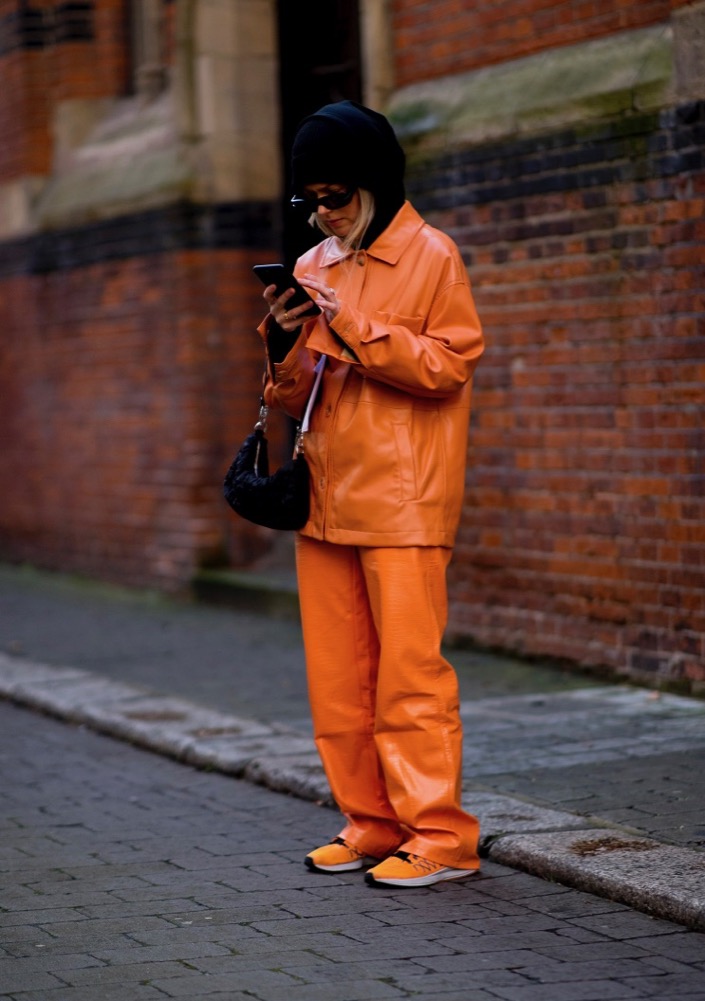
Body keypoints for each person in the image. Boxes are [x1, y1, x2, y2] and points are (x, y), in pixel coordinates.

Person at [258, 100, 484, 888]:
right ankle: (372, 822)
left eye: (336, 196)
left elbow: (447, 366)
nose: (323, 214)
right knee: (339, 679)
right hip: (325, 495)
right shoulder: (315, 263)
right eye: (311, 199)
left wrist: (348, 322)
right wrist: (286, 342)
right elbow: (294, 396)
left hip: (404, 495)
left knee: (408, 677)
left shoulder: (431, 254)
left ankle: (442, 837)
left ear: (376, 185)